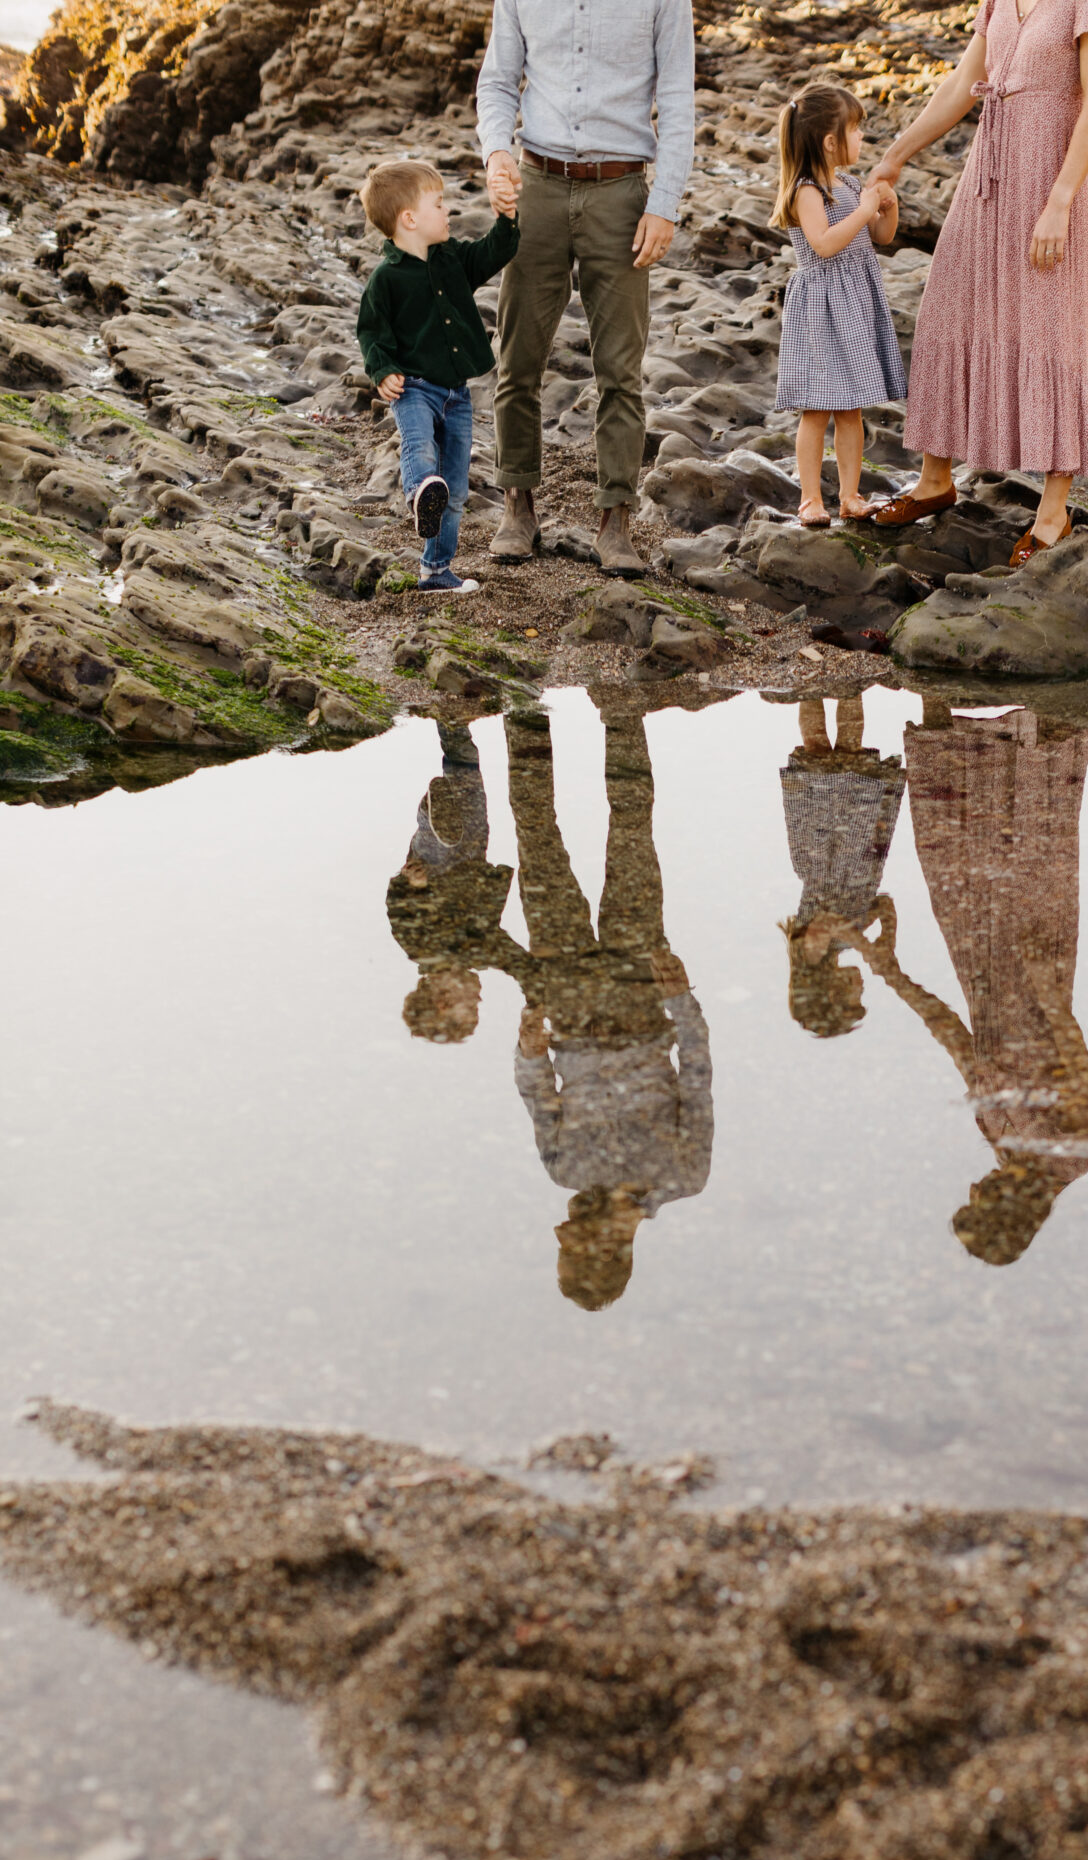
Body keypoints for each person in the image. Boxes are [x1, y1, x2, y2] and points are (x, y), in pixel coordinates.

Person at [864, 0, 1088, 566]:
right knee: (947, 306)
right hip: (988, 171)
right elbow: (966, 82)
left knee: (1048, 326)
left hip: (1046, 177)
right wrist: (894, 157)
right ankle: (935, 481)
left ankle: (1053, 512)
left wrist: (1060, 202)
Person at [855, 700, 1088, 1263]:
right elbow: (1079, 1066)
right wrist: (1045, 990)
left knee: (950, 853)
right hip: (1037, 982)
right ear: (1006, 1211)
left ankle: (938, 701)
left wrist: (890, 969)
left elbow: (960, 1044)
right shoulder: (1073, 1155)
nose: (973, 1187)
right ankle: (1046, 705)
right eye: (978, 1200)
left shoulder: (1002, 1141)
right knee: (1031, 851)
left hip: (983, 971)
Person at [497, 704, 712, 1308]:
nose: (559, 1231)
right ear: (605, 1249)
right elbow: (697, 1081)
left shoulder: (563, 1173)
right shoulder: (683, 1178)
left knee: (536, 838)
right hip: (642, 992)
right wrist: (681, 1000)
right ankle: (621, 710)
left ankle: (522, 708)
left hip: (566, 999)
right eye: (569, 1246)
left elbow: (538, 1097)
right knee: (633, 830)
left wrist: (528, 1051)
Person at [476, 0, 695, 577]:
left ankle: (615, 520)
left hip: (621, 194)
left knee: (621, 372)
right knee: (517, 359)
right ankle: (517, 507)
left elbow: (676, 100)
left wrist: (665, 204)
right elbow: (498, 82)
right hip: (536, 186)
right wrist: (497, 152)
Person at [356, 159, 519, 596]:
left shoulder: (452, 260)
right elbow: (372, 332)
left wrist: (506, 218)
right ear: (410, 219)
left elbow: (493, 253)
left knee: (456, 487)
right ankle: (417, 496)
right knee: (420, 453)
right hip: (413, 390)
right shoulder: (385, 279)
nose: (448, 212)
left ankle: (436, 571)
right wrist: (383, 369)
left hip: (457, 395)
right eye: (439, 204)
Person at [771, 84, 906, 529]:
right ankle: (811, 498)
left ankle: (850, 494)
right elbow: (825, 245)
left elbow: (882, 238)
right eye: (856, 130)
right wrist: (864, 211)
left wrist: (886, 208)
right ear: (831, 142)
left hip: (855, 304)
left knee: (851, 409)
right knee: (817, 408)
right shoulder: (806, 191)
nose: (862, 138)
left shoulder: (849, 184)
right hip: (821, 308)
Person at [778, 696, 904, 1037]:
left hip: (826, 851)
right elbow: (885, 903)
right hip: (859, 848)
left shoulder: (811, 953)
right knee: (851, 749)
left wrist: (865, 947)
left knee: (817, 749)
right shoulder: (846, 941)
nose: (860, 988)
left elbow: (828, 922)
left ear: (829, 992)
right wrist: (886, 940)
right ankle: (851, 685)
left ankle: (811, 686)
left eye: (853, 996)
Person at [386, 721, 514, 1040]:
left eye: (471, 1005)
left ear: (443, 1000)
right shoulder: (477, 953)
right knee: (469, 778)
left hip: (435, 865)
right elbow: (514, 957)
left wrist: (412, 886)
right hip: (473, 855)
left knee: (442, 842)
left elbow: (398, 907)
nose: (479, 998)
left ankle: (431, 814)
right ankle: (453, 722)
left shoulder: (420, 948)